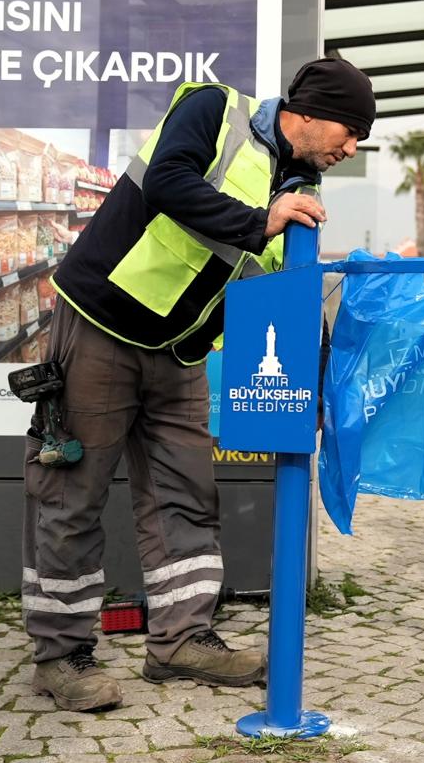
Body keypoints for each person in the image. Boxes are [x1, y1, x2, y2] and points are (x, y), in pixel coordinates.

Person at [24, 59, 375, 713]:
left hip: (178, 353)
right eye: (351, 131)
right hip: (103, 324)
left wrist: (321, 374)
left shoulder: (295, 187)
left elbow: (284, 288)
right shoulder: (215, 109)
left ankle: (180, 640)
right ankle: (59, 655)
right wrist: (259, 220)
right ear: (309, 112)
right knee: (71, 494)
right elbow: (167, 181)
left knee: (186, 495)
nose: (352, 148)